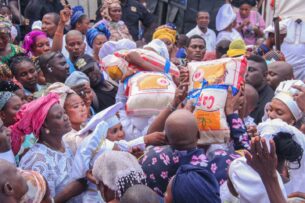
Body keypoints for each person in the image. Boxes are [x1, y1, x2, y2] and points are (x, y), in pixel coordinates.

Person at [14, 93, 85, 202]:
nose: (66, 117)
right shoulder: (37, 160)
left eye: (64, 113)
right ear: (44, 125)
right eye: (58, 116)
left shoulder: (62, 144)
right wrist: (68, 192)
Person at [246, 54, 274, 124]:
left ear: (265, 75)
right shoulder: (239, 92)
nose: (245, 74)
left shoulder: (269, 103)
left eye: (251, 70)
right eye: (244, 69)